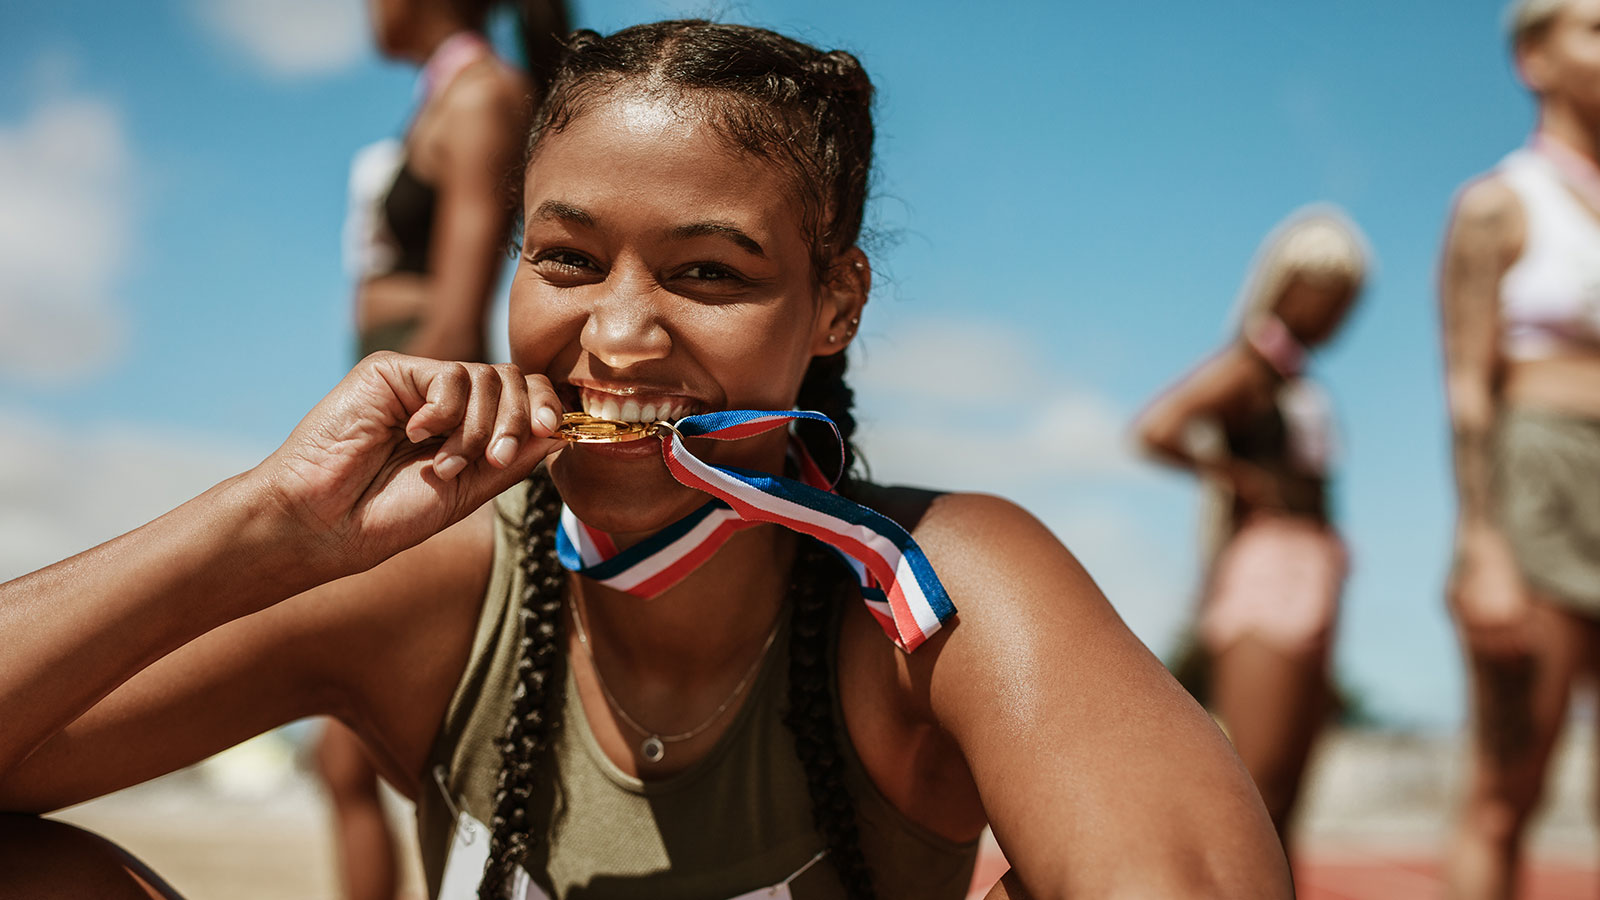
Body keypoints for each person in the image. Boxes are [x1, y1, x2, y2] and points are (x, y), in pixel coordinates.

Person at [0, 21, 1291, 899]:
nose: (617, 336)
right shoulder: (434, 588)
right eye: (565, 259)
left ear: (836, 305)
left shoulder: (934, 588)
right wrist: (267, 526)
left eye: (708, 273)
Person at [329, 4, 569, 899]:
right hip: (398, 417)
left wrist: (397, 463)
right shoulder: (448, 98)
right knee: (345, 760)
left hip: (419, 431)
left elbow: (460, 317)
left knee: (354, 758)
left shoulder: (480, 97)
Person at [1135, 208, 1368, 852]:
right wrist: (1235, 478)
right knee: (1259, 792)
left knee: (1288, 796)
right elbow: (1157, 427)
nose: (1335, 314)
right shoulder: (1249, 365)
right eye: (1326, 294)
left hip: (1318, 566)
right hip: (1270, 565)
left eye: (1345, 302)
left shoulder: (1299, 379)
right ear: (1284, 284)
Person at [1440, 2, 1600, 896]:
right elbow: (1467, 387)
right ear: (1534, 58)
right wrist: (1484, 545)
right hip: (1541, 483)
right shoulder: (1500, 204)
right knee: (1506, 793)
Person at [347, 0, 568, 363]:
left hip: (423, 363)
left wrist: (408, 392)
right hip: (402, 360)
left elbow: (457, 331)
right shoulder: (450, 96)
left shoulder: (480, 98)